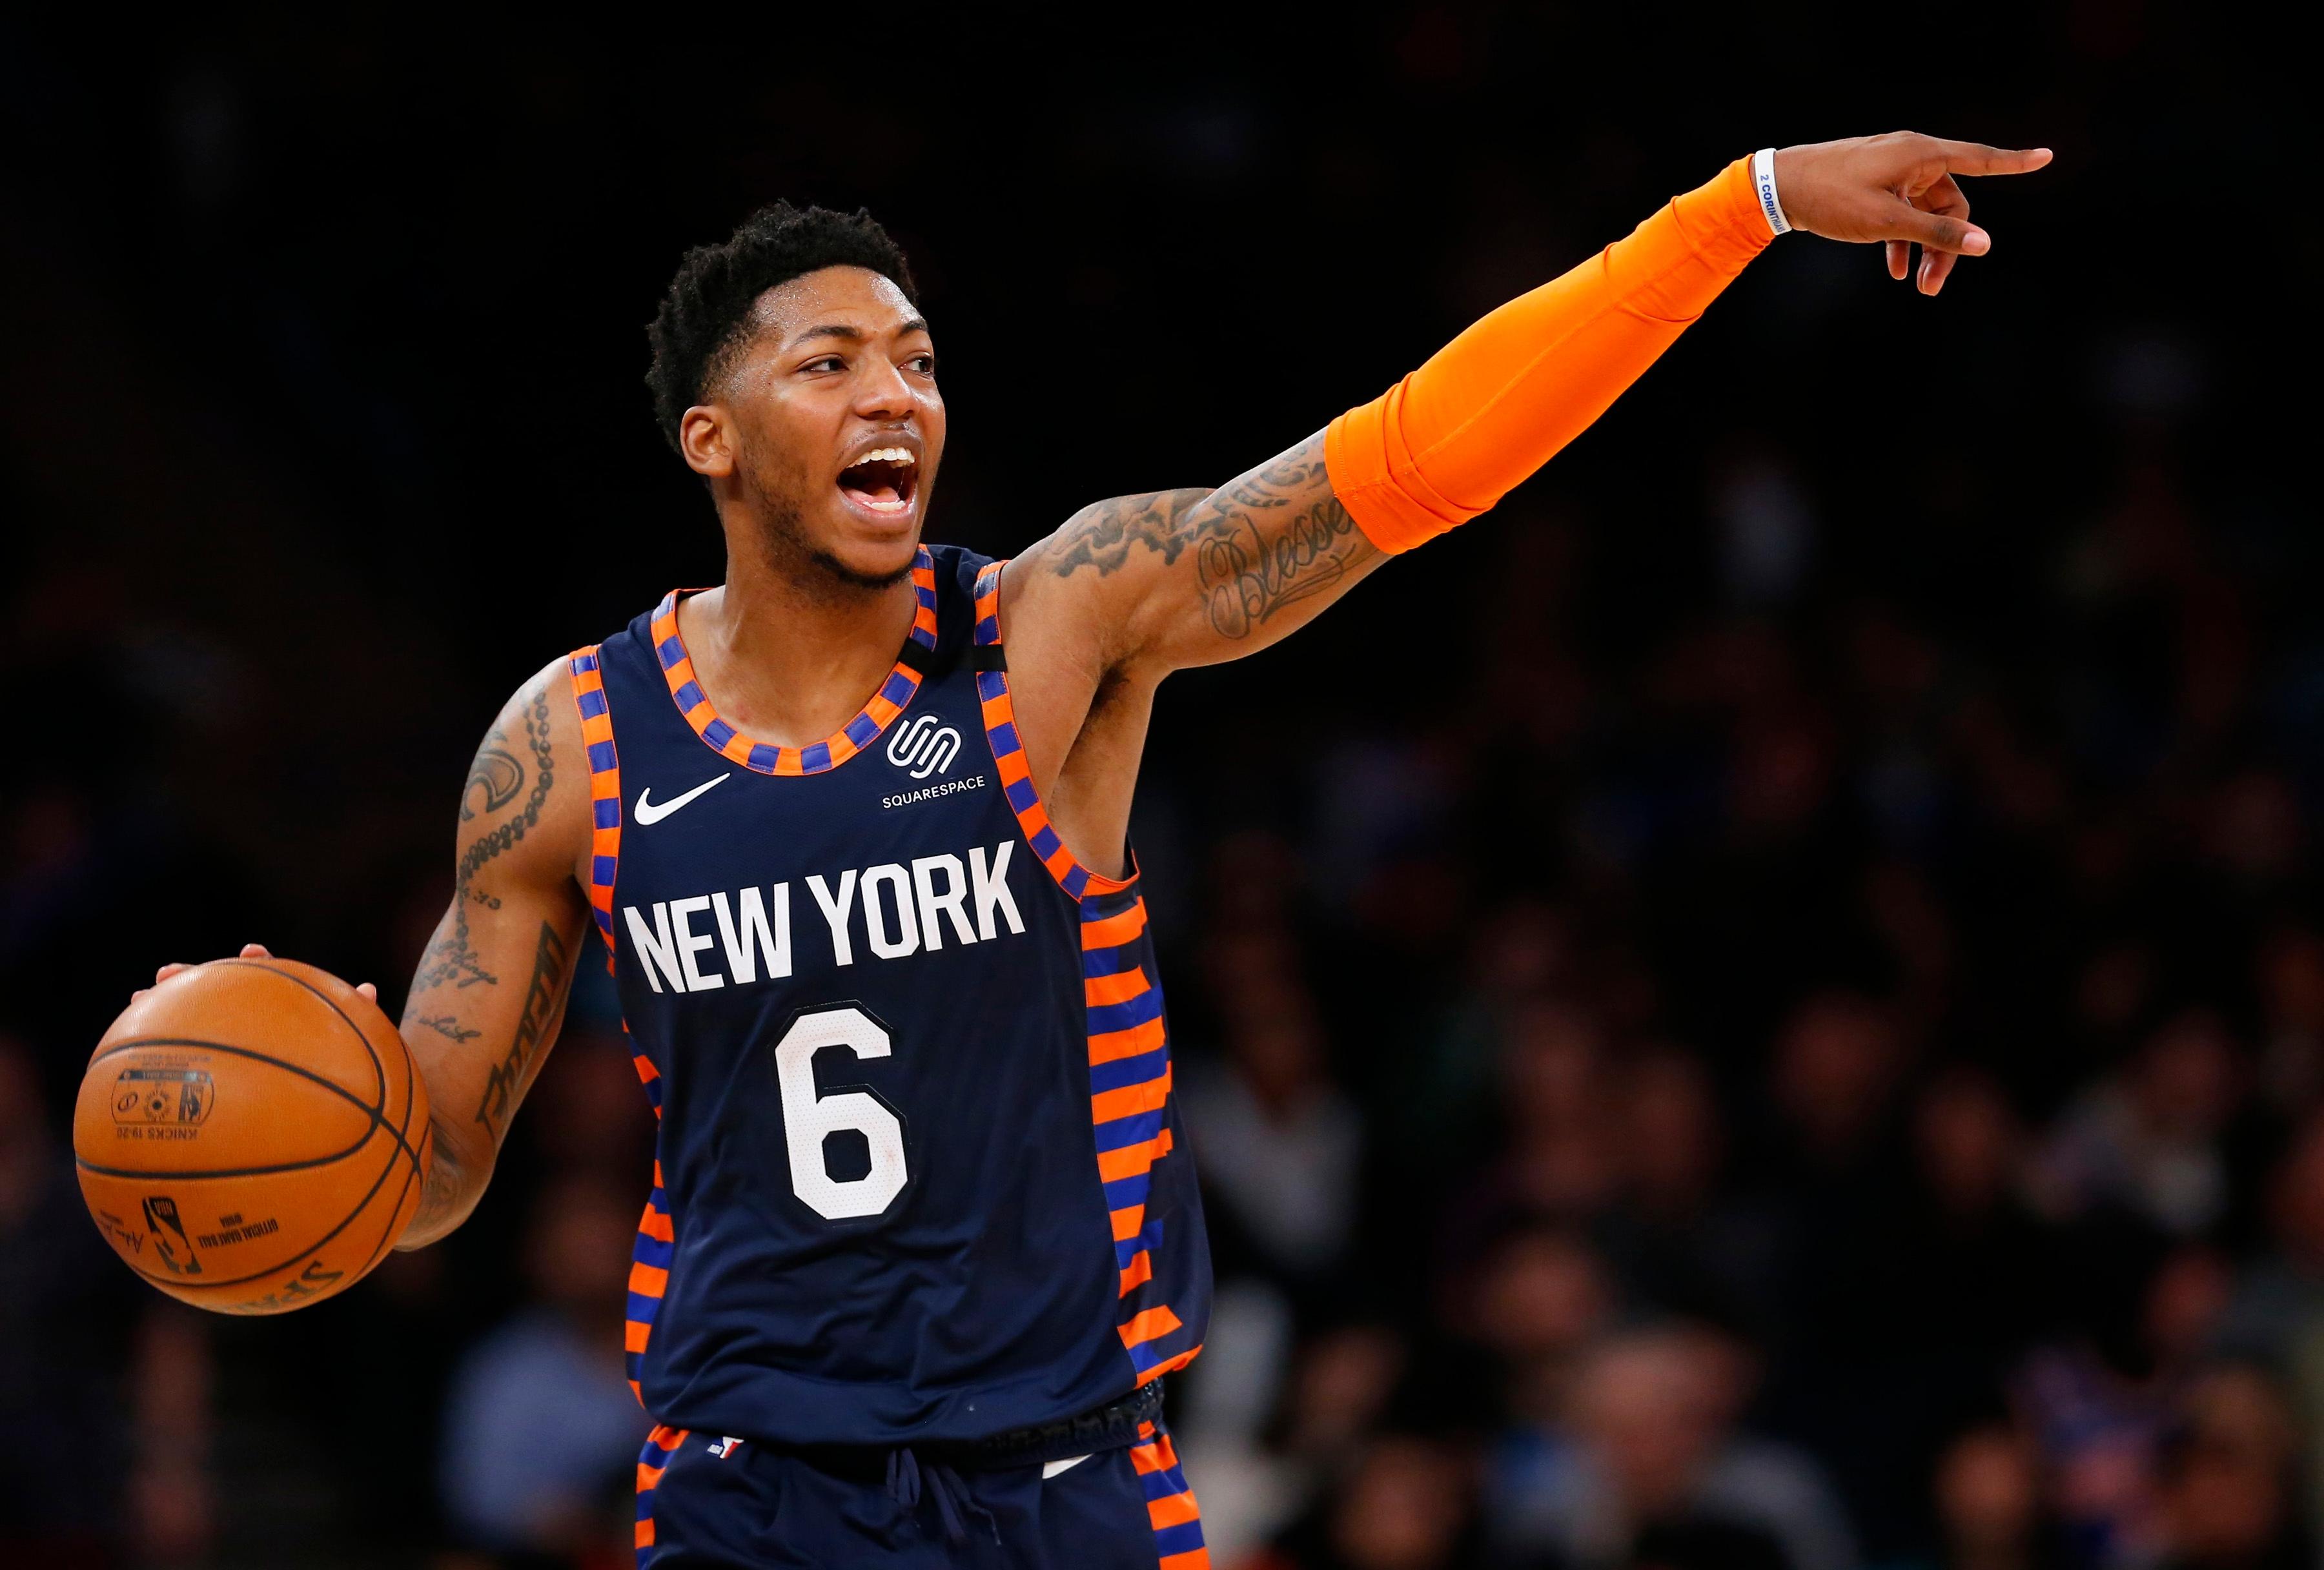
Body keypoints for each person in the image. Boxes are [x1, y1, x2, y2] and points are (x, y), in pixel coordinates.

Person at [145, 132, 2049, 1567]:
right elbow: (432, 1167)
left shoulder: (1059, 627)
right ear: (713, 443)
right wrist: (237, 1050)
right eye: (832, 365)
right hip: (752, 1474)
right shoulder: (569, 745)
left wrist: (1753, 198)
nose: (897, 392)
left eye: (918, 358)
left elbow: (1417, 458)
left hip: (1067, 1468)